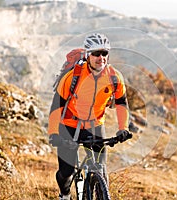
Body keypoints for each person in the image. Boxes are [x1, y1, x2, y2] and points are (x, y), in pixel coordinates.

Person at [47, 33, 131, 200]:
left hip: (95, 126)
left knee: (101, 168)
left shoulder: (114, 77)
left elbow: (121, 103)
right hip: (69, 126)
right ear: (87, 55)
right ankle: (64, 195)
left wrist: (123, 129)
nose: (101, 58)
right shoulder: (73, 76)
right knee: (66, 173)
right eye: (96, 53)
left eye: (104, 53)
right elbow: (57, 106)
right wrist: (54, 134)